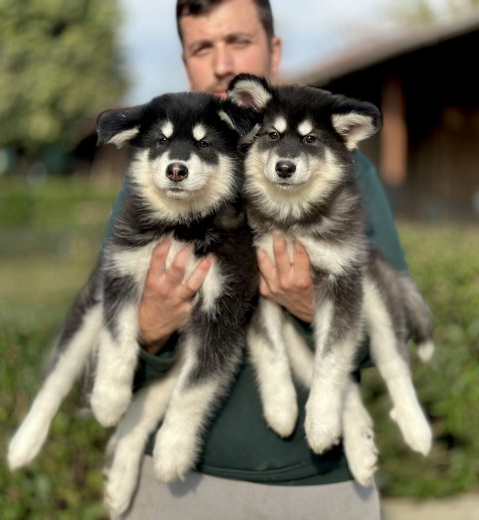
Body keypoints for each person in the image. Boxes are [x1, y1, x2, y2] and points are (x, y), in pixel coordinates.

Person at [105, 1, 407, 518]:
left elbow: (392, 333)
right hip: (176, 478)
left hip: (314, 481)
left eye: (239, 41)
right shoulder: (159, 178)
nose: (222, 64)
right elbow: (105, 332)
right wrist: (150, 327)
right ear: (185, 61)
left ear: (274, 49)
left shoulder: (341, 173)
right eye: (203, 46)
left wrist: (313, 304)